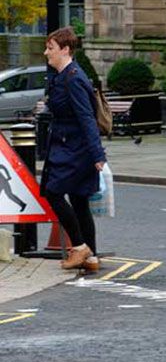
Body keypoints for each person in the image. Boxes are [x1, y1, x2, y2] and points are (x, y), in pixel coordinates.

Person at [40, 27, 105, 271]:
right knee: (79, 202)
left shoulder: (74, 78)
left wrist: (97, 154)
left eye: (51, 48)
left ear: (65, 49)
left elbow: (87, 118)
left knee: (53, 192)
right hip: (70, 146)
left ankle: (79, 247)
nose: (47, 53)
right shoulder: (63, 76)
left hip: (75, 150)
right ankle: (91, 257)